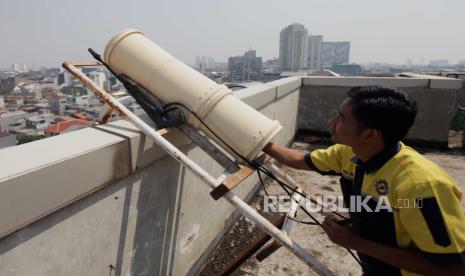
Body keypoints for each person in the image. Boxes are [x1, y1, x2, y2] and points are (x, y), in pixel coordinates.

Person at [263, 86, 465, 275]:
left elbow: (453, 269)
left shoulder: (421, 186)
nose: (331, 123)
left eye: (341, 118)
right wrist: (259, 141)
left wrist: (357, 242)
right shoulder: (351, 154)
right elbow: (299, 160)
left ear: (369, 135)